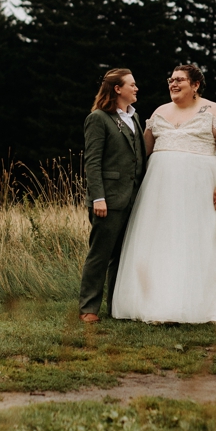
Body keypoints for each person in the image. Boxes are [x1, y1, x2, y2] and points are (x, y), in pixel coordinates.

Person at [111, 64, 216, 324]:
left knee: (204, 241)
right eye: (170, 79)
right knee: (163, 241)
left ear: (196, 85)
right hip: (160, 192)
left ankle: (213, 301)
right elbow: (141, 152)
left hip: (201, 188)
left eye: (179, 79)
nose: (173, 83)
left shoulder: (213, 110)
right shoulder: (159, 112)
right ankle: (160, 302)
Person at [79, 68, 147, 323]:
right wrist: (98, 198)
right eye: (132, 84)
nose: (136, 88)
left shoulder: (135, 117)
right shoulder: (98, 118)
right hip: (108, 199)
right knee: (100, 254)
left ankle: (116, 307)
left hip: (133, 198)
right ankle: (88, 308)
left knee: (123, 256)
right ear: (117, 89)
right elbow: (93, 162)